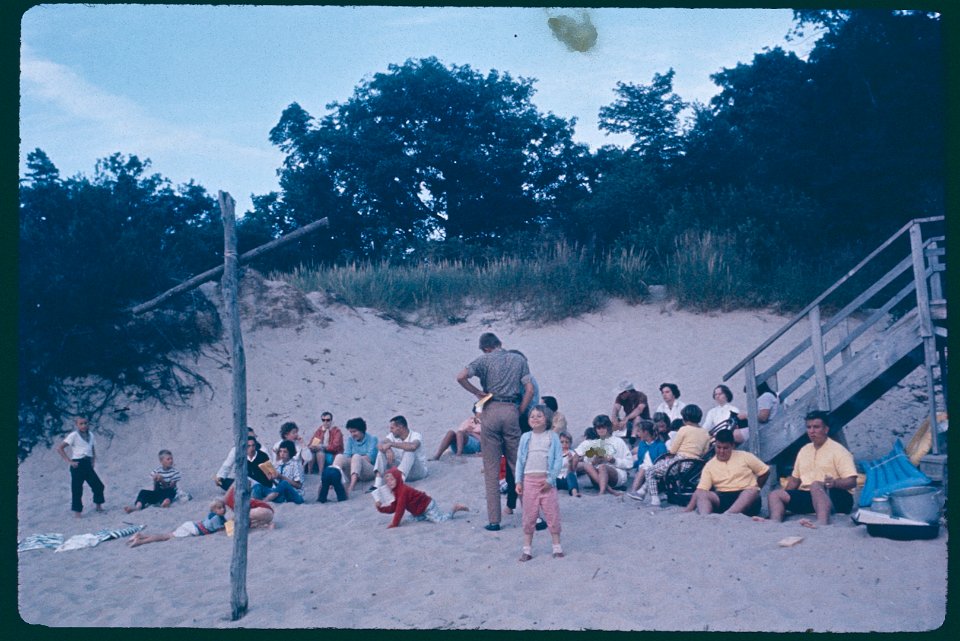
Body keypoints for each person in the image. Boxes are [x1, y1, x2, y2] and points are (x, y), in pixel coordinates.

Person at [456, 332, 535, 531]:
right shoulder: (518, 360)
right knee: (518, 465)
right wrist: (520, 410)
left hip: (490, 409)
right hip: (511, 410)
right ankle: (533, 515)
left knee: (491, 468)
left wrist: (476, 392)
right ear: (500, 343)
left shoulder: (483, 361)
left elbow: (461, 377)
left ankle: (494, 520)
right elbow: (530, 390)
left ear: (485, 348)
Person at [765, 411, 857, 526]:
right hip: (809, 496)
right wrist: (786, 497)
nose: (812, 431)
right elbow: (794, 480)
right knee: (775, 494)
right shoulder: (804, 450)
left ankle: (821, 522)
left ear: (826, 429)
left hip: (837, 497)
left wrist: (834, 483)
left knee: (816, 485)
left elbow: (852, 482)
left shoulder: (839, 451)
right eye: (809, 427)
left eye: (816, 427)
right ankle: (774, 523)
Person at [515, 405, 564, 560]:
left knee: (552, 514)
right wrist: (518, 480)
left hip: (547, 482)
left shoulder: (552, 436)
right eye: (532, 416)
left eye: (539, 416)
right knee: (529, 516)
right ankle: (527, 550)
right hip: (529, 481)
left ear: (547, 419)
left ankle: (557, 547)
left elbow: (558, 459)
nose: (535, 419)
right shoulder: (526, 437)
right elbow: (520, 461)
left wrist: (551, 480)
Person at [684, 429, 769, 516]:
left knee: (752, 491)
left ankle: (728, 515)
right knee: (702, 495)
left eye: (725, 448)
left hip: (746, 497)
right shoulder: (710, 465)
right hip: (722, 496)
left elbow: (765, 471)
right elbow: (701, 490)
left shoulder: (745, 456)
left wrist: (757, 487)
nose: (721, 451)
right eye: (718, 447)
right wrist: (688, 509)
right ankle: (706, 517)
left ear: (732, 446)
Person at [640, 404, 712, 504]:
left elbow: (673, 450)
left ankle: (654, 498)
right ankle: (642, 490)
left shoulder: (684, 429)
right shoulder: (705, 433)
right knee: (660, 465)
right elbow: (705, 452)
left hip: (680, 462)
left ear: (685, 418)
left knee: (650, 471)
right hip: (694, 465)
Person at [375, 468, 468, 529]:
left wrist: (394, 524)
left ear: (398, 479)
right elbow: (393, 508)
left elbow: (400, 509)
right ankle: (425, 516)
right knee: (410, 519)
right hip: (419, 510)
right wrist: (380, 508)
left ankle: (454, 509)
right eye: (387, 481)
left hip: (427, 505)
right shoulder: (396, 491)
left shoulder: (402, 491)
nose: (389, 483)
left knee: (440, 521)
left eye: (392, 479)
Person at [571, 415, 633, 496]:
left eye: (603, 427)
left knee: (602, 467)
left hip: (616, 475)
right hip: (597, 477)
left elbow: (629, 463)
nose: (601, 430)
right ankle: (609, 490)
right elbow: (584, 459)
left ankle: (602, 492)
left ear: (608, 427)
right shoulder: (593, 442)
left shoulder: (618, 441)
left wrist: (614, 461)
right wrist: (594, 461)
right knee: (587, 465)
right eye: (598, 428)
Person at [56, 416, 105, 517]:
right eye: (81, 424)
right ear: (77, 425)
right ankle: (77, 512)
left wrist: (93, 460)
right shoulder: (73, 435)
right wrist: (69, 461)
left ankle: (98, 506)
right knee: (77, 489)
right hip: (77, 464)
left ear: (88, 423)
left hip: (87, 464)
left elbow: (92, 448)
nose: (84, 425)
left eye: (85, 423)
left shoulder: (91, 435)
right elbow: (60, 448)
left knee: (98, 485)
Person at [126, 499, 227, 547]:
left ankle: (142, 535)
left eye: (223, 507)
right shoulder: (216, 518)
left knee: (166, 535)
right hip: (192, 530)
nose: (222, 510)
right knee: (165, 537)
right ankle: (141, 541)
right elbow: (221, 529)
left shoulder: (215, 516)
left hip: (192, 525)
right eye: (219, 508)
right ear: (214, 510)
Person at [373, 415, 428, 486]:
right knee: (382, 452)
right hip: (402, 471)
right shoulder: (392, 436)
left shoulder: (416, 435)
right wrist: (388, 450)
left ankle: (398, 483)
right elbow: (380, 444)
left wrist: (391, 444)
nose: (390, 430)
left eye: (392, 428)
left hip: (417, 472)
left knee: (409, 451)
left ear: (401, 427)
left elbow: (413, 446)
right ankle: (377, 485)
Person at [331, 417, 379, 495]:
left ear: (361, 430)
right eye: (351, 432)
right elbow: (346, 455)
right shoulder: (350, 440)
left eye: (355, 431)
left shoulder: (372, 439)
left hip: (369, 470)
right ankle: (332, 480)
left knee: (356, 456)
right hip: (354, 468)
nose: (353, 434)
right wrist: (352, 460)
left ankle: (352, 485)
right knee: (339, 456)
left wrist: (355, 459)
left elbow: (370, 458)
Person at [625, 420, 668, 500]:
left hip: (655, 472)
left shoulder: (660, 445)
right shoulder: (642, 444)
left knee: (643, 469)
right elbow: (641, 460)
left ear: (646, 432)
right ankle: (636, 492)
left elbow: (662, 462)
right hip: (642, 470)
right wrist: (630, 465)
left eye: (639, 431)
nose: (637, 434)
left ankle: (635, 491)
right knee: (642, 469)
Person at [257, 440, 304, 504]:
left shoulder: (296, 465)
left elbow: (299, 486)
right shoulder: (278, 464)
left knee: (284, 483)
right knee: (258, 486)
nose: (282, 454)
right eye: (280, 451)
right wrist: (272, 479)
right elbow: (278, 485)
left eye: (285, 452)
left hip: (295, 495)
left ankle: (264, 501)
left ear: (290, 452)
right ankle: (255, 502)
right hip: (281, 493)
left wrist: (281, 477)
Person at [214, 426, 257, 491]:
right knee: (222, 481)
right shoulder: (236, 450)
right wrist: (220, 476)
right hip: (242, 480)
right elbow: (227, 465)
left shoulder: (261, 449)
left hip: (257, 481)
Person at [555, 432, 581, 497]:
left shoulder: (574, 455)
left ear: (570, 443)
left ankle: (574, 492)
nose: (564, 444)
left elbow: (572, 471)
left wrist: (570, 462)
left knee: (570, 475)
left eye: (567, 442)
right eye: (562, 442)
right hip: (557, 479)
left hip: (568, 481)